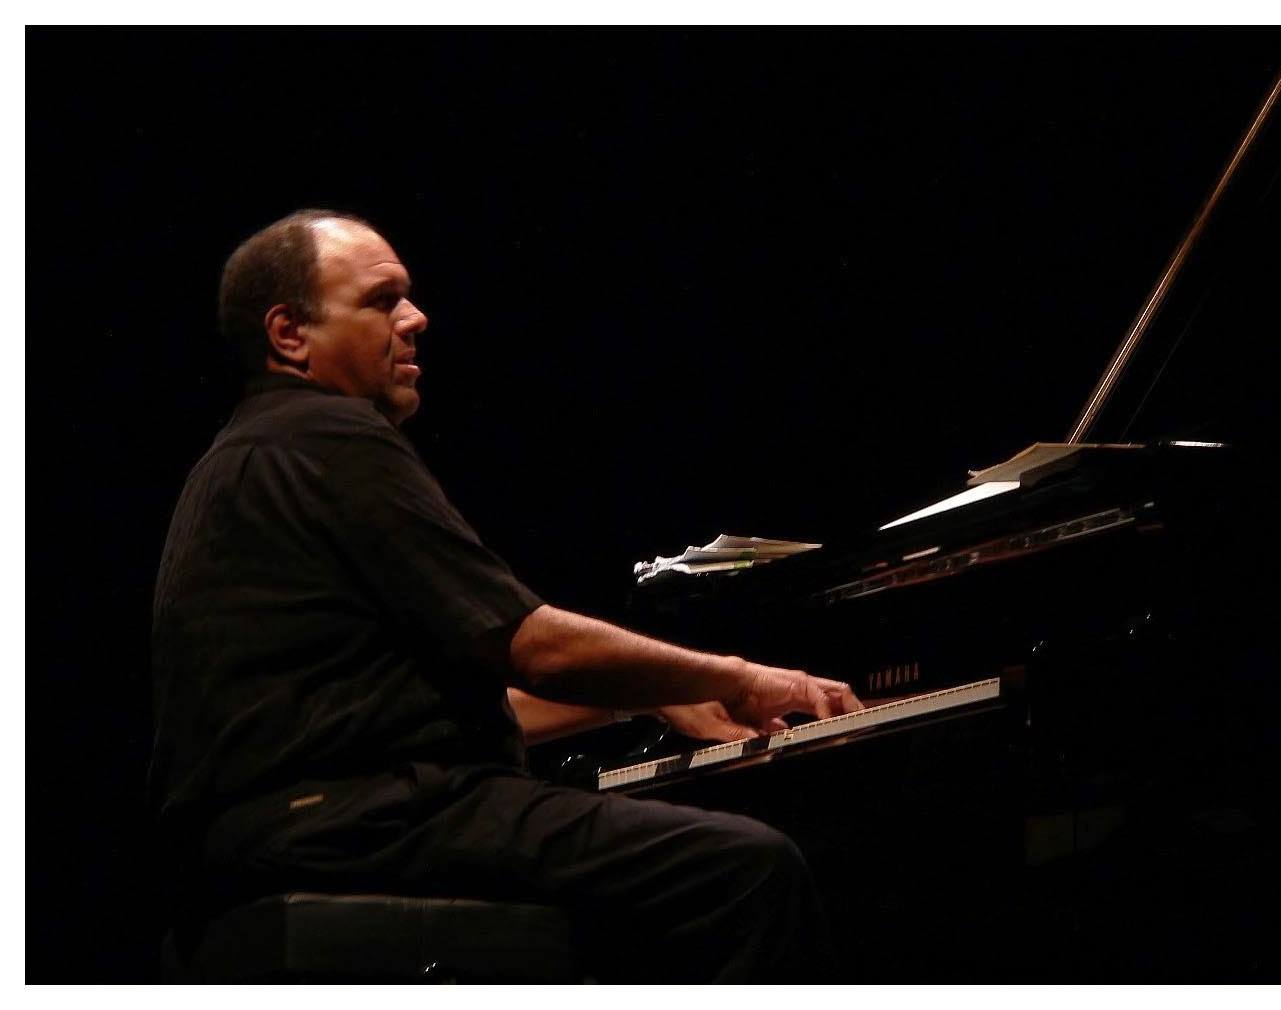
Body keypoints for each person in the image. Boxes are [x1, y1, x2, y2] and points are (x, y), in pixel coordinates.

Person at [149, 208, 862, 982]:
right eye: (382, 300)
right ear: (290, 334)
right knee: (746, 868)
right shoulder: (329, 436)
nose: (416, 318)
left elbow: (429, 706)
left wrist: (651, 697)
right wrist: (741, 678)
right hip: (367, 822)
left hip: (273, 833)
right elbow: (533, 647)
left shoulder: (236, 461)